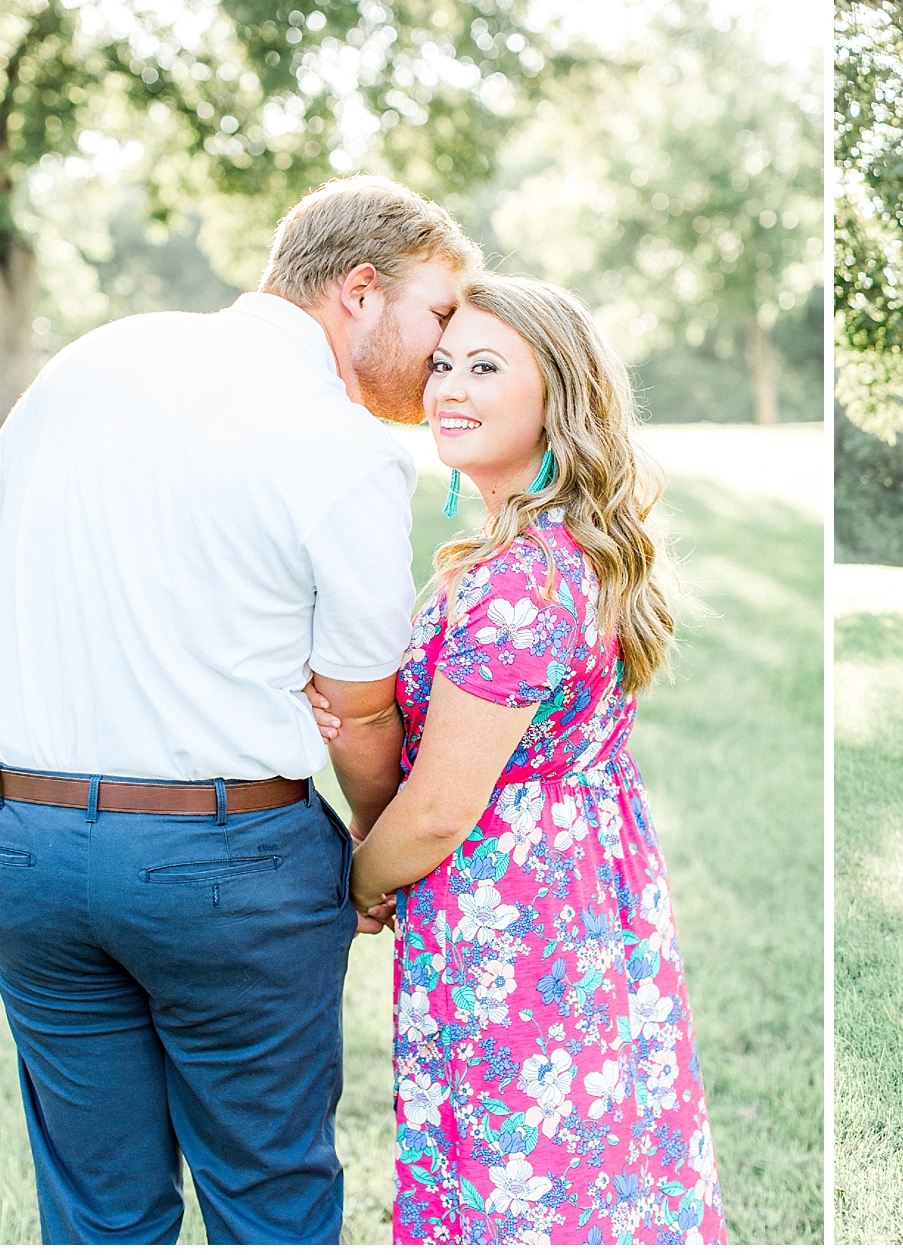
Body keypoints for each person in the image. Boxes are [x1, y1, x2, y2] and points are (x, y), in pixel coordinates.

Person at [0, 175, 480, 1243]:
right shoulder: (343, 445)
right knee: (267, 1201)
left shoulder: (88, 363)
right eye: (438, 312)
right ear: (360, 291)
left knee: (98, 1212)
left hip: (28, 848)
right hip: (226, 865)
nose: (446, 346)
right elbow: (361, 707)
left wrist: (20, 761)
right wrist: (377, 840)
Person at [311, 274, 728, 1243]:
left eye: (486, 367)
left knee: (518, 1175)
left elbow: (438, 811)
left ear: (559, 397)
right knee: (593, 1159)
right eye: (442, 364)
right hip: (583, 889)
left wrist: (358, 884)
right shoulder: (565, 546)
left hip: (516, 917)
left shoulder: (518, 581)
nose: (449, 389)